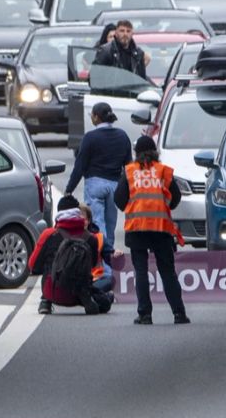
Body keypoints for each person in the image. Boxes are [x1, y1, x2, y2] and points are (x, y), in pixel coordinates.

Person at [114, 135, 189, 325]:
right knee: (167, 272)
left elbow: (119, 199)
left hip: (137, 228)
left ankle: (145, 314)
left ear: (136, 153)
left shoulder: (130, 172)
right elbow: (176, 197)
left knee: (141, 271)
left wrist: (133, 206)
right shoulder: (162, 171)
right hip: (161, 228)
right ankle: (179, 313)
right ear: (155, 152)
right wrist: (163, 207)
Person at [65, 102, 131, 258]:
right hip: (115, 186)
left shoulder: (90, 137)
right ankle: (110, 257)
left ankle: (101, 259)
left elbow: (79, 166)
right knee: (110, 224)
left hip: (95, 184)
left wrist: (69, 190)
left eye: (92, 116)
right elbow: (129, 166)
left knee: (98, 225)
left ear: (96, 117)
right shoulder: (122, 136)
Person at [29, 196, 112, 315]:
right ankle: (92, 300)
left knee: (49, 267)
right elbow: (92, 265)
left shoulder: (49, 235)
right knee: (104, 300)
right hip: (79, 295)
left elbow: (33, 265)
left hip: (53, 292)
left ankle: (45, 301)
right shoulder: (91, 238)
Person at [79, 202, 121, 294]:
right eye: (78, 219)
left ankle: (90, 294)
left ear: (89, 221)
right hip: (74, 282)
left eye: (84, 219)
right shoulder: (66, 236)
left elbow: (110, 258)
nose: (82, 222)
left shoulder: (99, 237)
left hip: (95, 280)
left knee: (112, 280)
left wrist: (115, 254)